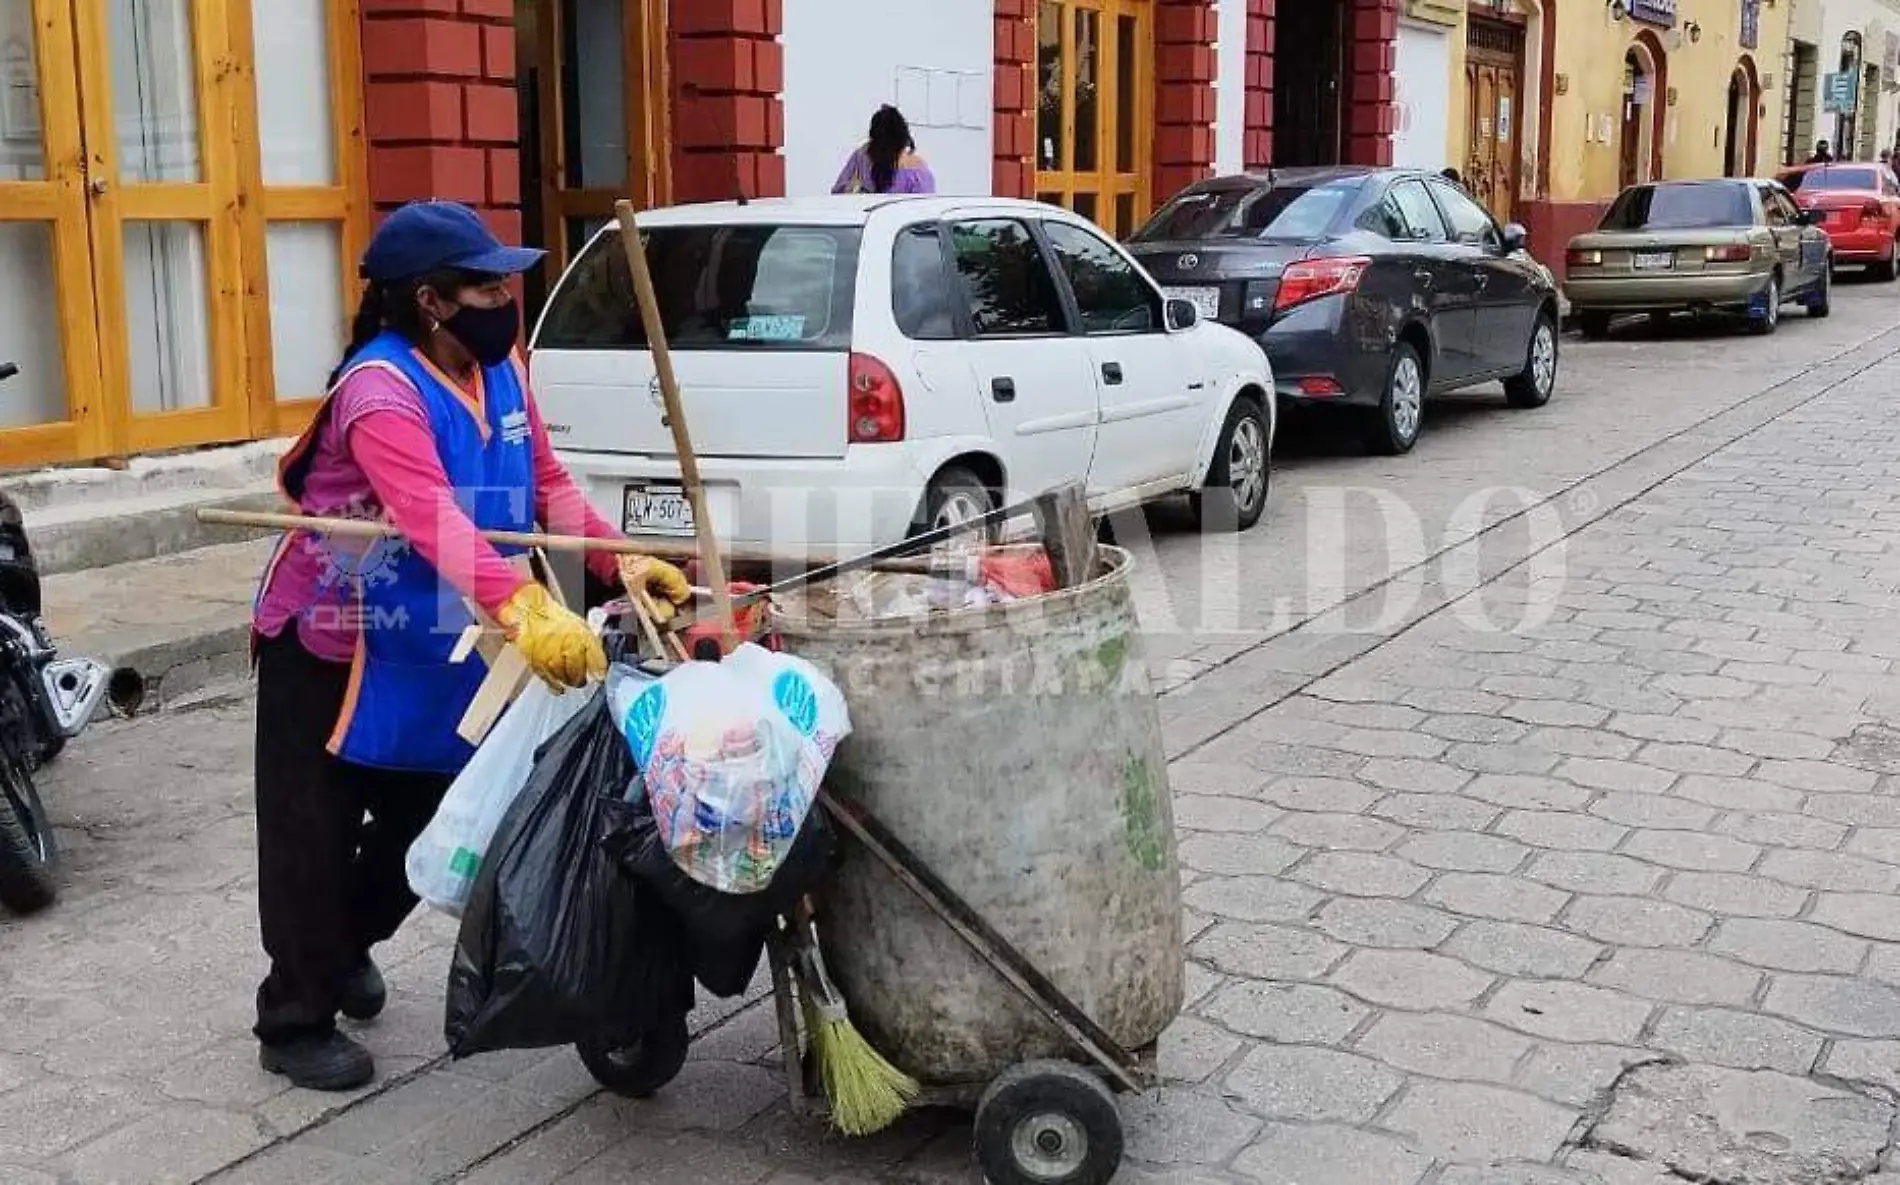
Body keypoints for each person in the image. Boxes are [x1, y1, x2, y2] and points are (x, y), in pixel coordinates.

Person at [248, 200, 690, 1091]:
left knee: (436, 815)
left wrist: (620, 560)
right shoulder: (380, 392)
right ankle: (293, 1014)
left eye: (505, 280)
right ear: (428, 300)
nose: (504, 296)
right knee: (312, 834)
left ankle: (341, 946)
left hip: (441, 635)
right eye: (484, 283)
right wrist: (530, 611)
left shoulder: (503, 366)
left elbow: (546, 485)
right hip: (334, 634)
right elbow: (435, 521)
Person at [832, 105, 937, 195]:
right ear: (903, 136)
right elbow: (925, 209)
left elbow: (838, 193)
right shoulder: (917, 168)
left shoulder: (861, 156)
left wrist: (856, 189)